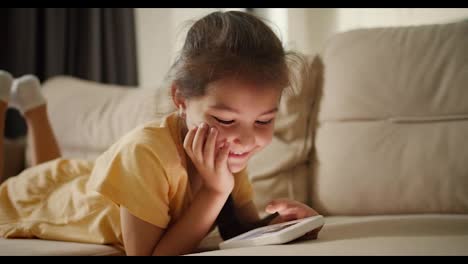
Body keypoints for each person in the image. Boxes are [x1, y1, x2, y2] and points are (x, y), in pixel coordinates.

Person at [0, 11, 320, 256]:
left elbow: (240, 229)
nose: (248, 140)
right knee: (30, 185)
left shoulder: (225, 147)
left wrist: (287, 226)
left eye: (263, 121)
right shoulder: (147, 153)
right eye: (224, 119)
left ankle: (34, 108)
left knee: (45, 172)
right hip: (66, 204)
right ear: (180, 99)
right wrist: (214, 191)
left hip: (81, 179)